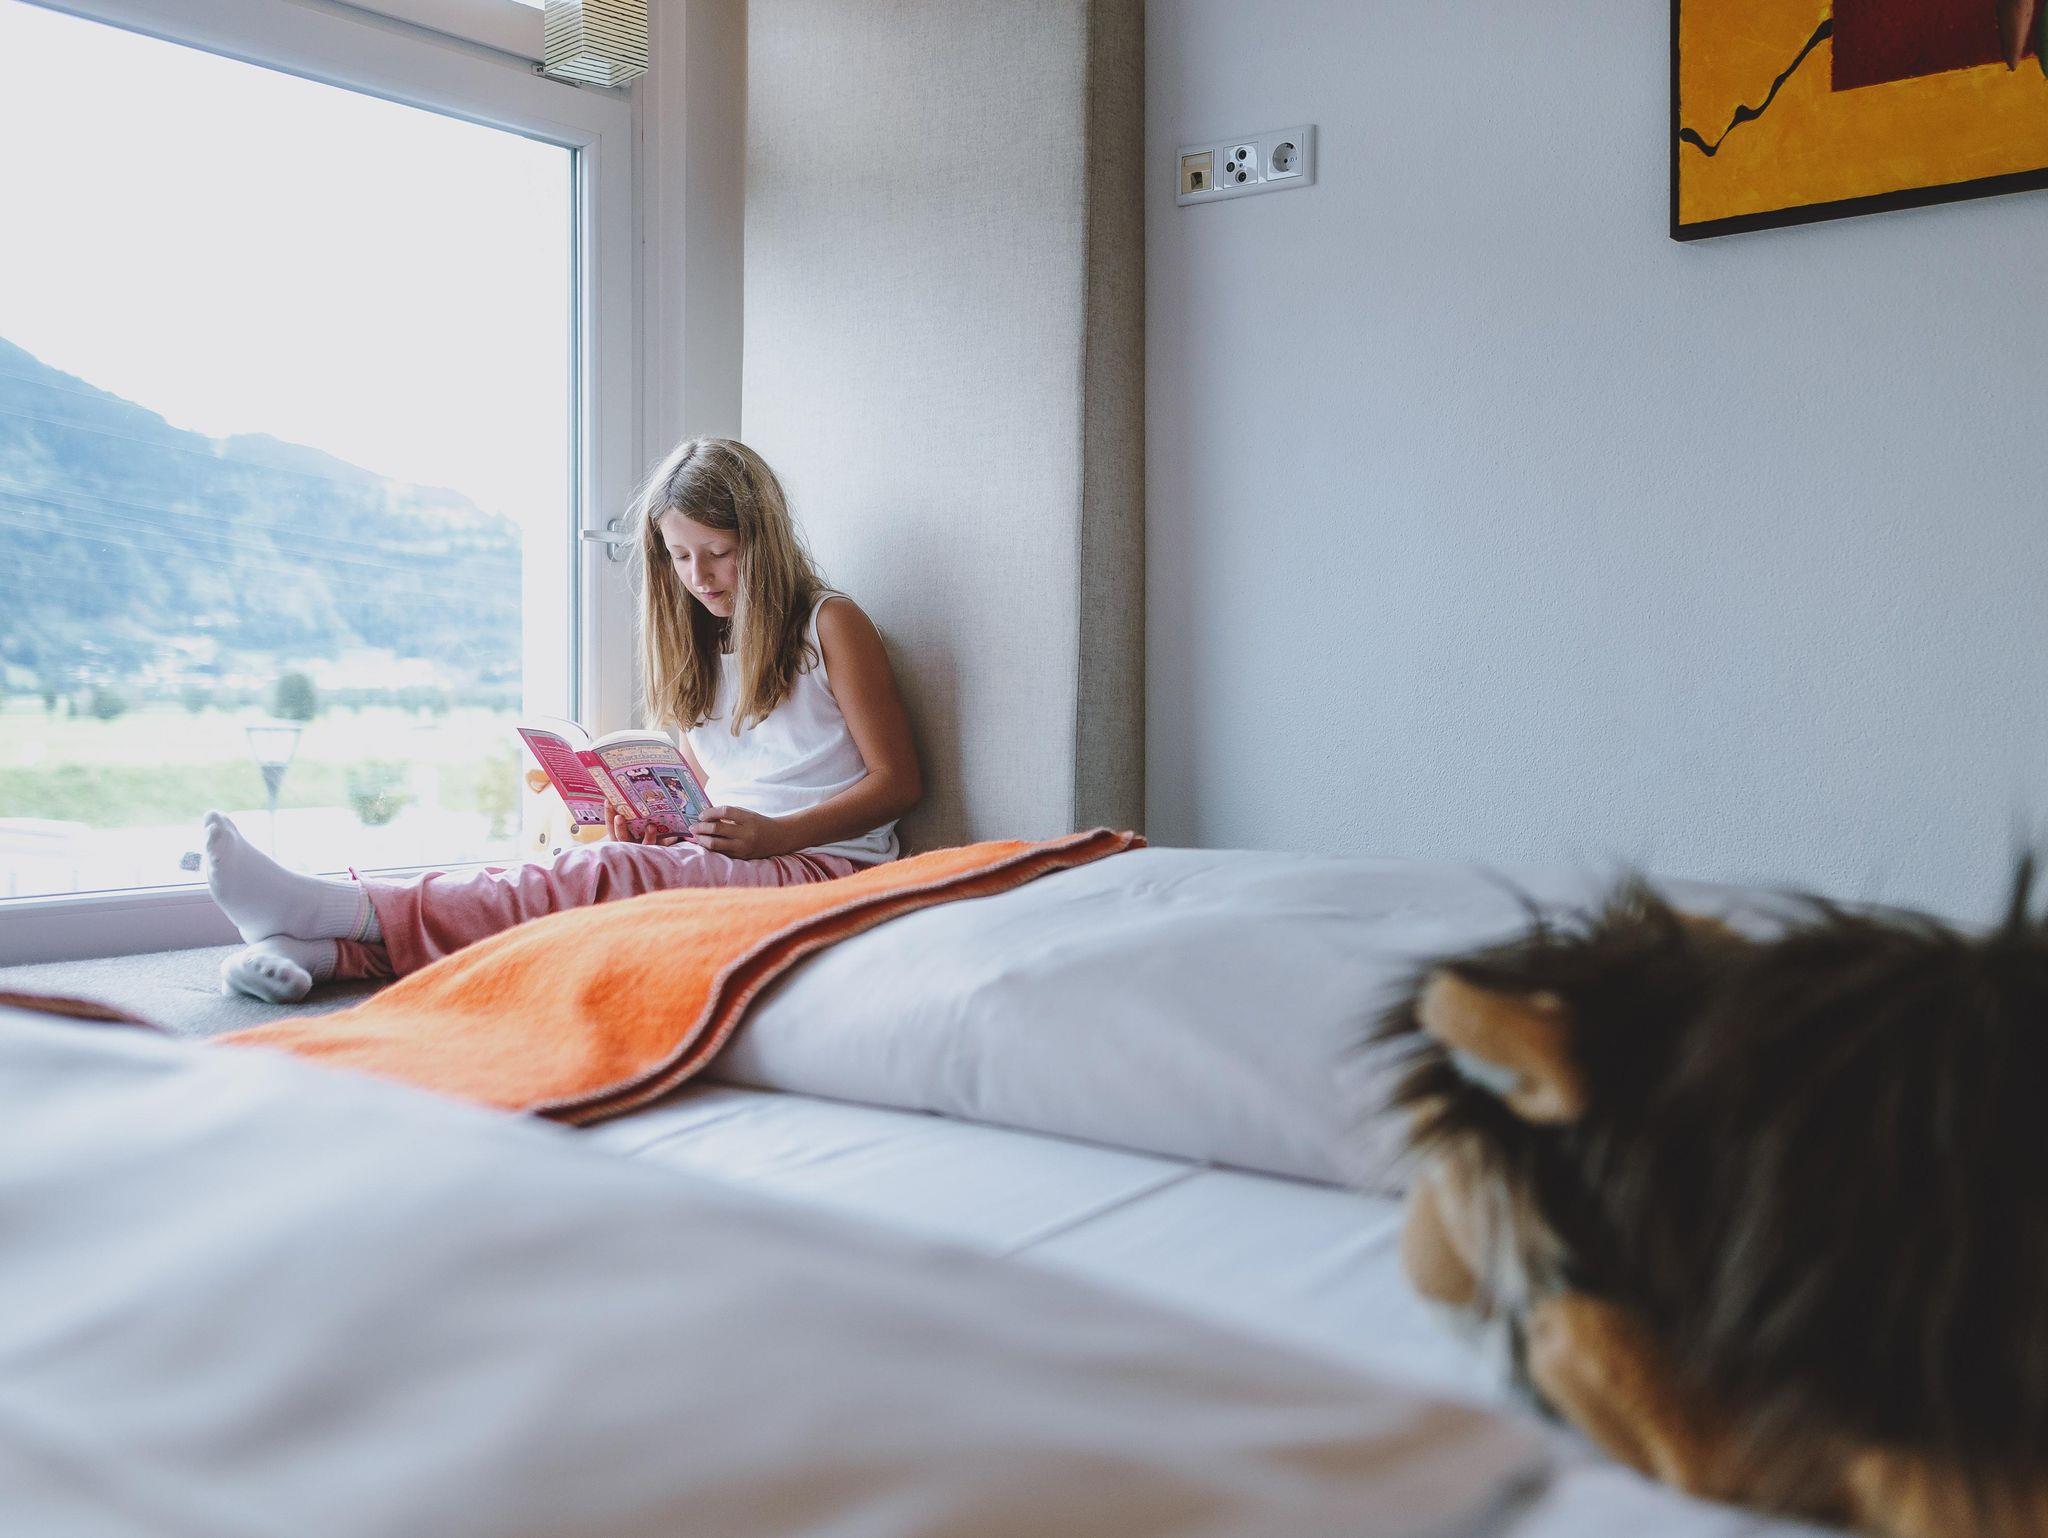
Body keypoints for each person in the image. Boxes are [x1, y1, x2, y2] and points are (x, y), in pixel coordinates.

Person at [206, 438, 922, 1002]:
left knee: (599, 873)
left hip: (827, 867)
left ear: (761, 542)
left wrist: (779, 835)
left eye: (719, 554)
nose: (699, 577)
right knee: (569, 881)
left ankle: (338, 908)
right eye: (679, 557)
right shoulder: (703, 645)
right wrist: (662, 824)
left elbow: (899, 783)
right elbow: (713, 792)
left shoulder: (830, 625)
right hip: (745, 855)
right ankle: (326, 954)